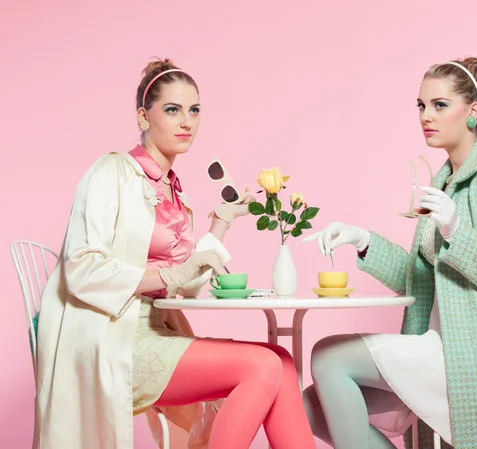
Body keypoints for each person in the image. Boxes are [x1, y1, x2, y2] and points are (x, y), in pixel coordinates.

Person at [35, 58, 317, 449]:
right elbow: (81, 269)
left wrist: (219, 223)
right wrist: (171, 276)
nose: (187, 122)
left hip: (161, 330)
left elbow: (184, 288)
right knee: (264, 366)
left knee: (281, 362)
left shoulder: (173, 192)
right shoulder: (110, 173)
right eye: (172, 110)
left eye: (194, 110)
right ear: (143, 116)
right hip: (115, 338)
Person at [302, 57, 477, 449]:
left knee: (328, 357)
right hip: (445, 348)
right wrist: (362, 240)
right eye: (421, 105)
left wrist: (456, 229)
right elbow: (420, 278)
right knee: (309, 404)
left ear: (472, 112)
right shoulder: (446, 180)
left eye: (440, 105)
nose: (426, 115)